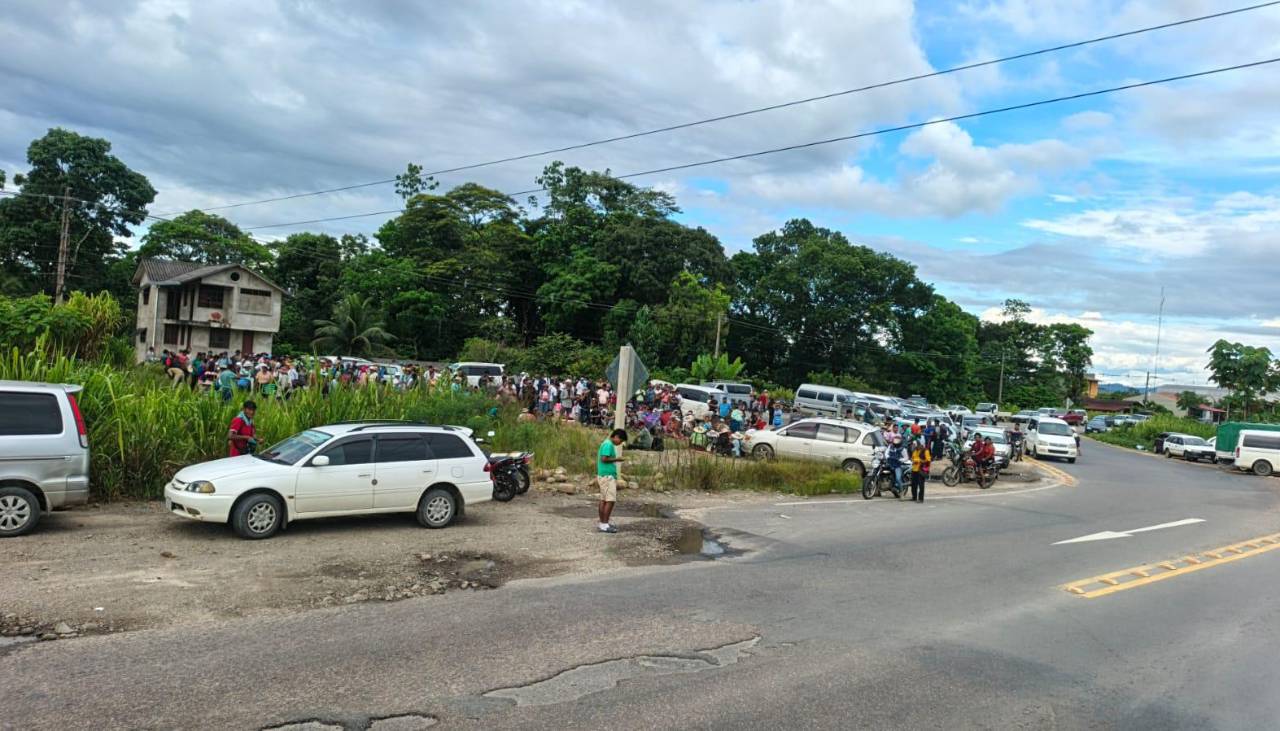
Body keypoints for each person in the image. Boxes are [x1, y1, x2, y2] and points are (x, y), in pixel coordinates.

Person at [596, 429, 626, 534]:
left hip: (604, 475)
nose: (620, 443)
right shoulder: (609, 444)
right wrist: (617, 459)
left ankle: (603, 523)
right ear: (616, 436)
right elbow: (603, 459)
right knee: (610, 500)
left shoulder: (606, 443)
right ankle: (604, 524)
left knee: (604, 499)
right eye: (621, 441)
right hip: (607, 476)